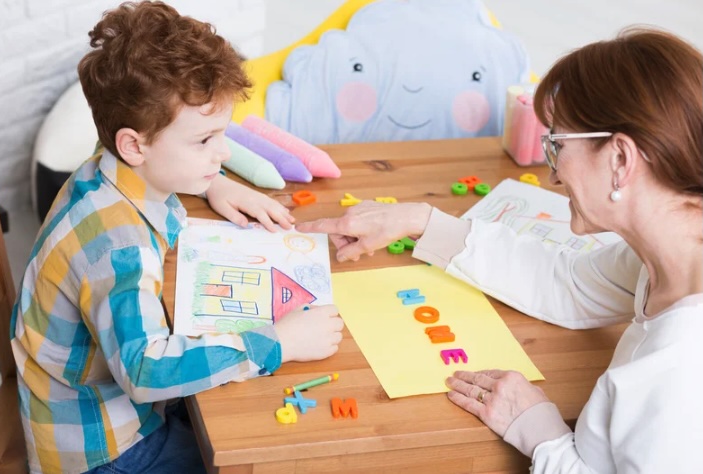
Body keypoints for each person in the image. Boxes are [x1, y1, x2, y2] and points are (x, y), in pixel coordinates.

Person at [297, 27, 703, 472]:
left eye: (557, 146)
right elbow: (569, 284)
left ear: (620, 160)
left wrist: (542, 434)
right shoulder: (671, 248)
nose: (552, 174)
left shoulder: (680, 367)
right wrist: (421, 222)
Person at [11, 3, 344, 473]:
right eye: (204, 141)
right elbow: (147, 372)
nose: (223, 153)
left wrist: (214, 181)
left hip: (85, 405)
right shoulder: (118, 249)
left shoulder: (108, 163)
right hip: (104, 447)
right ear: (135, 144)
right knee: (261, 452)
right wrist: (278, 344)